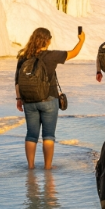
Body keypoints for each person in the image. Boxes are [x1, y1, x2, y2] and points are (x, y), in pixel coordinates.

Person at [15, 27, 86, 169]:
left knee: (31, 135)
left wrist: (19, 99)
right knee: (48, 136)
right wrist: (81, 40)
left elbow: (17, 80)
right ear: (47, 41)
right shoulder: (51, 55)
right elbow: (73, 53)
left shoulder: (23, 57)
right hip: (49, 99)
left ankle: (30, 167)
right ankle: (48, 168)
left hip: (29, 100)